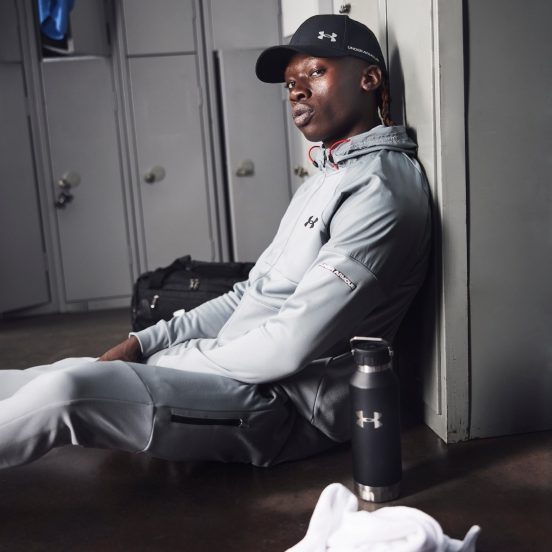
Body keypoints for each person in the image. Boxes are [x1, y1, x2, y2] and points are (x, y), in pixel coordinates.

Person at [0, 15, 430, 470]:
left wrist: (172, 359)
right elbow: (251, 292)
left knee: (67, 392)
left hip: (289, 405)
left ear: (369, 78)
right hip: (235, 371)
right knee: (53, 373)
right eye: (290, 83)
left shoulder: (380, 193)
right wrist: (145, 343)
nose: (297, 91)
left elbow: (289, 347)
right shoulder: (326, 176)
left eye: (316, 72)